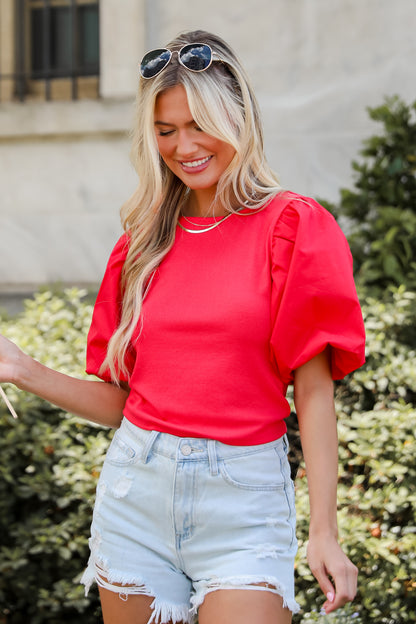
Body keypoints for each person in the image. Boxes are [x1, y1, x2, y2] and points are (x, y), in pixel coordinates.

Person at [0, 29, 365, 624]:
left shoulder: (293, 227)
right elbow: (129, 404)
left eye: (199, 124)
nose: (184, 146)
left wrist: (324, 530)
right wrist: (20, 370)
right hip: (134, 496)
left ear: (237, 120)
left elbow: (314, 389)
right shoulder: (141, 246)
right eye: (166, 131)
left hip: (243, 504)